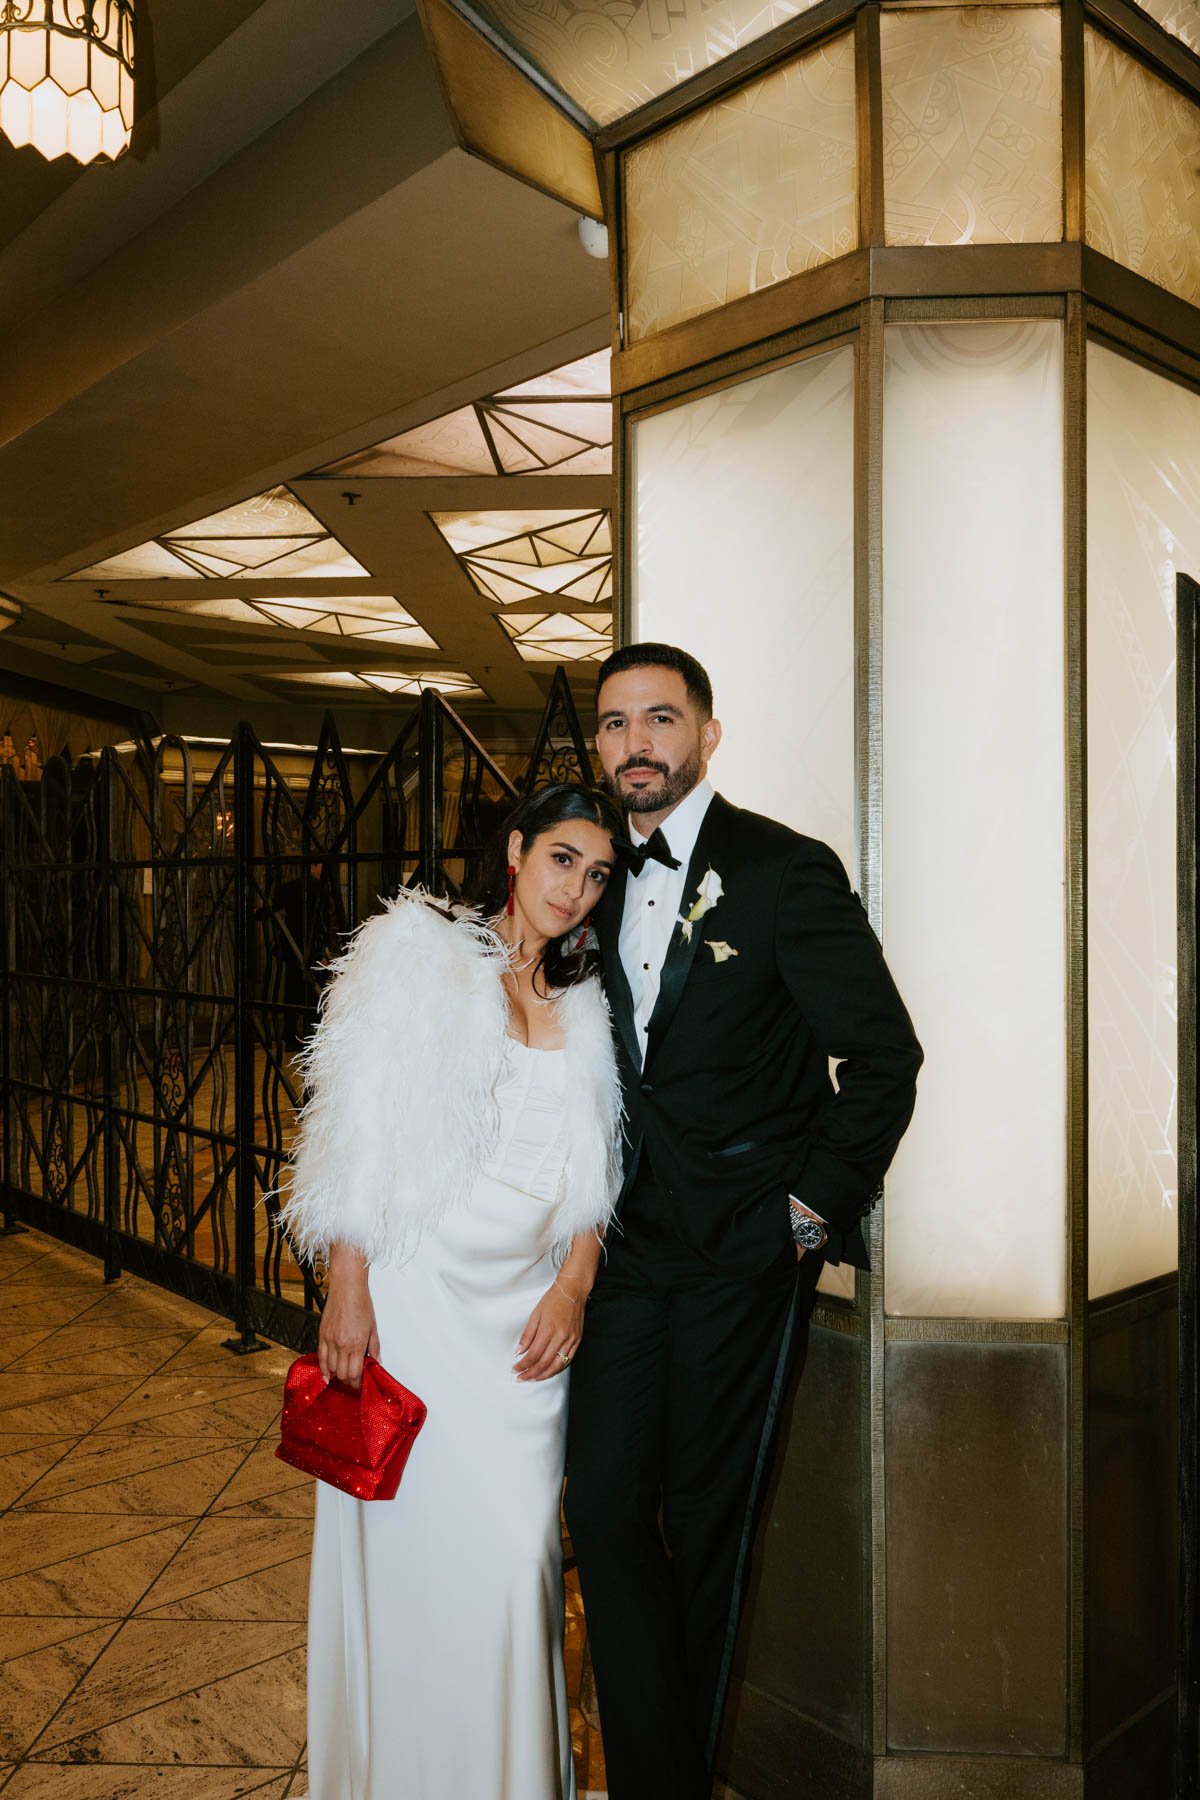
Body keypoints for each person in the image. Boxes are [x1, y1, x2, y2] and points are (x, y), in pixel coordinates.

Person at [564, 644, 923, 1799]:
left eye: (660, 720)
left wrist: (802, 1218)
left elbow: (883, 1057)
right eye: (616, 725)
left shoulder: (783, 870)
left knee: (708, 1534)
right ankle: (656, 1774)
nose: (636, 744)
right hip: (621, 1250)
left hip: (741, 1259)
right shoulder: (593, 875)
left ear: (706, 735)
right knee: (606, 1509)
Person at [280, 783, 625, 1800]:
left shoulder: (591, 1001)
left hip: (521, 1328)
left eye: (598, 873)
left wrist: (573, 1283)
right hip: (416, 1298)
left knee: (515, 1564)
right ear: (516, 850)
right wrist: (348, 1282)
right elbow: (350, 1130)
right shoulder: (417, 958)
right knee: (409, 1561)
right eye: (563, 858)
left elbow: (599, 1169)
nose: (578, 888)